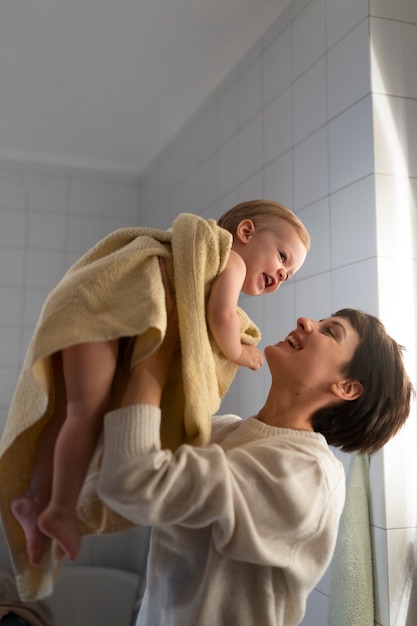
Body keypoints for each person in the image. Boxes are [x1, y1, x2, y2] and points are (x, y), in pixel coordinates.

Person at [9, 200, 310, 569]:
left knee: (71, 413)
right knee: (85, 413)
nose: (281, 274)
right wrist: (240, 353)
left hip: (87, 304)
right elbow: (221, 315)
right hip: (97, 309)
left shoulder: (206, 265)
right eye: (282, 257)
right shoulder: (229, 259)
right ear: (246, 233)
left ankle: (34, 498)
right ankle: (58, 509)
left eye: (289, 275)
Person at [97, 301, 414, 626]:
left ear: (346, 387)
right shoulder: (223, 430)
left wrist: (153, 358)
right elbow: (119, 457)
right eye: (319, 321)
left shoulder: (308, 473)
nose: (305, 321)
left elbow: (132, 480)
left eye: (329, 332)